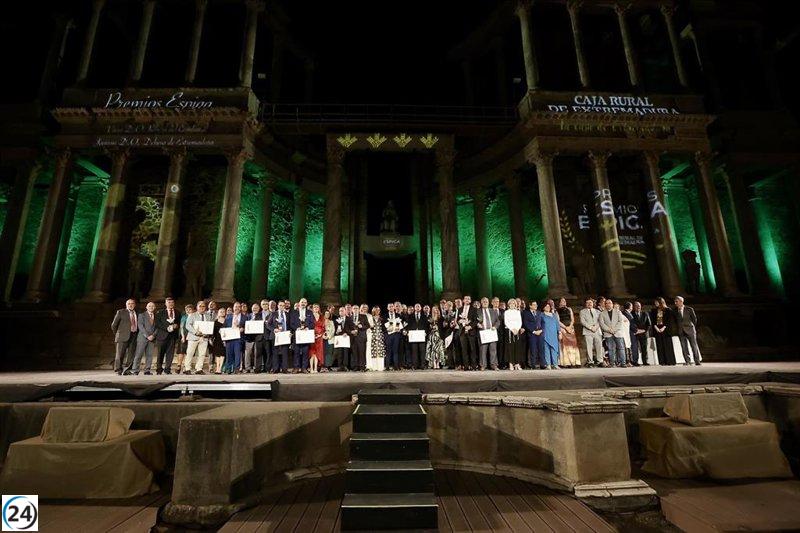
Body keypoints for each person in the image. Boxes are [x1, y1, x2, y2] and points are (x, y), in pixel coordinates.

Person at [112, 299, 138, 375]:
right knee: (120, 354)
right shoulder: (121, 312)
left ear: (134, 305)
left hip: (133, 335)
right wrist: (118, 334)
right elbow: (114, 325)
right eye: (129, 303)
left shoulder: (137, 313)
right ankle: (118, 370)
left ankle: (127, 370)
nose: (130, 305)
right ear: (126, 305)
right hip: (122, 336)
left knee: (131, 354)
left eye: (132, 303)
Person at [184, 301, 211, 374]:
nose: (202, 308)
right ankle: (187, 368)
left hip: (204, 337)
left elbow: (209, 326)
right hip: (193, 337)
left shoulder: (208, 316)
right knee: (190, 353)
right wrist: (195, 332)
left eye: (203, 306)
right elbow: (188, 325)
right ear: (197, 307)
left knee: (202, 354)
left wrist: (207, 333)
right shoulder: (192, 315)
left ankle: (199, 369)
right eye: (200, 306)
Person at [290, 297, 316, 373]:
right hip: (297, 334)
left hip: (306, 334)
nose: (303, 304)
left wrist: (308, 327)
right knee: (296, 352)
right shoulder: (294, 312)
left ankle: (304, 368)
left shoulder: (309, 312)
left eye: (305, 302)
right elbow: (291, 323)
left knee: (305, 352)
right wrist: (296, 328)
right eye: (302, 302)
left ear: (306, 303)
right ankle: (296, 368)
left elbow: (312, 323)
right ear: (299, 303)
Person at [131, 301, 157, 375]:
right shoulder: (141, 315)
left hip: (152, 338)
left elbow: (158, 327)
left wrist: (153, 335)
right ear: (146, 307)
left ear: (154, 307)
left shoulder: (156, 316)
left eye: (152, 306)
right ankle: (135, 370)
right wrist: (147, 336)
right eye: (149, 306)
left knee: (149, 355)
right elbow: (140, 326)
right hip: (142, 337)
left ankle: (147, 370)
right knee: (139, 354)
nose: (151, 307)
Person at [674, 296, 701, 365]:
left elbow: (694, 319)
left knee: (694, 346)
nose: (675, 303)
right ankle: (687, 361)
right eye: (675, 301)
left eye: (676, 301)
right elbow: (675, 321)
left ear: (681, 301)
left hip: (690, 330)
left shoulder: (689, 309)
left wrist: (691, 327)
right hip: (681, 331)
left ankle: (697, 361)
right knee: (684, 347)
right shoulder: (675, 310)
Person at [599, 299, 626, 367]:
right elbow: (602, 324)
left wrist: (614, 330)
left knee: (621, 348)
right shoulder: (602, 313)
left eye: (610, 303)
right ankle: (612, 363)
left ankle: (623, 363)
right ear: (605, 305)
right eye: (607, 303)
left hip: (618, 333)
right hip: (608, 334)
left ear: (612, 304)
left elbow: (620, 322)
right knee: (611, 349)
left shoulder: (618, 312)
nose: (608, 304)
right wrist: (609, 330)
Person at [650, 297, 676, 365]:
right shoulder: (654, 310)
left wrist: (664, 327)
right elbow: (653, 321)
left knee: (667, 346)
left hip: (666, 329)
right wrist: (656, 327)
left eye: (657, 302)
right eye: (655, 302)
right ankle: (662, 361)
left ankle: (670, 361)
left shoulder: (668, 310)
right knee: (660, 346)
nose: (655, 304)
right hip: (657, 329)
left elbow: (670, 320)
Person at [579, 298, 604, 367]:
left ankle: (600, 361)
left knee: (599, 346)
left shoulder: (598, 311)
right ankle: (590, 362)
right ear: (585, 304)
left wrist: (596, 327)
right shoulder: (582, 311)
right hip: (587, 331)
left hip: (597, 330)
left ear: (593, 303)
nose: (589, 304)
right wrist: (590, 327)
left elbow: (600, 320)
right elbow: (582, 321)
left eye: (591, 302)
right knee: (589, 347)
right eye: (587, 302)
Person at [477, 297, 500, 370]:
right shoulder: (478, 311)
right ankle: (483, 365)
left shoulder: (493, 311)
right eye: (483, 302)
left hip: (491, 332)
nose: (485, 303)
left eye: (486, 302)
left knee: (493, 349)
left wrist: (495, 327)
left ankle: (494, 365)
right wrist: (478, 324)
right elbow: (475, 320)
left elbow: (498, 321)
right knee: (483, 349)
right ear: (481, 303)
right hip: (483, 332)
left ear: (488, 302)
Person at [557, 298, 581, 368]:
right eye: (562, 301)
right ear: (559, 303)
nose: (564, 302)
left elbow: (572, 319)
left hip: (571, 328)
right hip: (563, 328)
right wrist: (565, 327)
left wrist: (570, 327)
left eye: (564, 301)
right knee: (565, 345)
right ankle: (567, 362)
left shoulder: (569, 309)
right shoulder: (557, 310)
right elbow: (558, 321)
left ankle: (575, 362)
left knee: (573, 345)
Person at [244, 302, 267, 373]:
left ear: (259, 308)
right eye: (253, 308)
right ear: (251, 309)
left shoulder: (259, 315)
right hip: (249, 338)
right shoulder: (248, 316)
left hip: (258, 337)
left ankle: (259, 367)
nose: (255, 309)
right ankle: (247, 368)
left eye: (256, 308)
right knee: (248, 354)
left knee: (258, 353)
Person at [268, 300, 290, 373]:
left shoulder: (287, 314)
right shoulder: (273, 314)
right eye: (280, 305)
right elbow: (268, 324)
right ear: (277, 306)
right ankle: (275, 369)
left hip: (285, 336)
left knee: (285, 352)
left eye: (283, 305)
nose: (282, 307)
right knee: (275, 353)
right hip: (275, 336)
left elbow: (289, 325)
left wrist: (290, 333)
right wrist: (274, 329)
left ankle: (284, 369)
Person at [222, 302, 246, 373]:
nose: (237, 308)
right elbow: (224, 327)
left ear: (240, 308)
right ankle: (229, 369)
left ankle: (237, 369)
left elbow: (246, 327)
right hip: (229, 338)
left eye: (239, 307)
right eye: (236, 306)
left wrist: (243, 329)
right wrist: (223, 334)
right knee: (229, 354)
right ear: (233, 308)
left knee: (237, 354)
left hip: (238, 338)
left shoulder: (244, 317)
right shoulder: (228, 316)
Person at [503, 299, 526, 370]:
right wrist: (512, 329)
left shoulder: (517, 312)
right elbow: (506, 322)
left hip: (517, 331)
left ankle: (517, 363)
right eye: (511, 303)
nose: (512, 305)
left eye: (514, 303)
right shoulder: (506, 312)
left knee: (517, 347)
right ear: (509, 305)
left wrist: (517, 328)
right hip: (510, 331)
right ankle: (511, 363)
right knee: (510, 347)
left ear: (515, 304)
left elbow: (520, 321)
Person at [405, 303, 429, 370]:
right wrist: (408, 332)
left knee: (422, 351)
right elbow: (408, 326)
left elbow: (427, 326)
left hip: (422, 336)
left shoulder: (424, 316)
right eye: (416, 306)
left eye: (419, 306)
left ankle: (422, 365)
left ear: (421, 308)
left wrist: (426, 332)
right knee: (414, 351)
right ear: (414, 308)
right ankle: (415, 365)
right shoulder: (410, 316)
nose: (417, 307)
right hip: (414, 336)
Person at [522, 300, 543, 369]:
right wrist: (533, 331)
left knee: (540, 349)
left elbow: (543, 322)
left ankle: (542, 364)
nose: (535, 306)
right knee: (533, 349)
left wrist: (541, 330)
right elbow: (526, 324)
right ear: (530, 306)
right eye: (534, 305)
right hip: (532, 334)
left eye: (536, 305)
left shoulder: (539, 313)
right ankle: (533, 365)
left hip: (540, 333)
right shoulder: (526, 313)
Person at [459, 295, 479, 370]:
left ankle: (473, 365)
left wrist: (470, 326)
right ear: (463, 300)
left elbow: (476, 320)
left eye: (469, 299)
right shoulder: (460, 309)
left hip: (471, 331)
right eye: (466, 299)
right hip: (462, 332)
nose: (467, 300)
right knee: (464, 349)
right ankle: (466, 366)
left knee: (472, 349)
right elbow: (458, 319)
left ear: (470, 301)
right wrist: (460, 321)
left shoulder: (474, 309)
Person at [540, 301, 561, 369]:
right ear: (543, 308)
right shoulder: (541, 315)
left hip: (554, 334)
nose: (548, 307)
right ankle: (548, 365)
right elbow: (539, 324)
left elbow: (557, 325)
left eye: (548, 306)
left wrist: (559, 333)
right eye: (546, 306)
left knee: (555, 349)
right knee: (546, 349)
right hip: (545, 334)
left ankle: (555, 364)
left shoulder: (554, 315)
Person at [350, 304, 370, 371]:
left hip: (361, 337)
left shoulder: (363, 316)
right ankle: (356, 366)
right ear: (352, 310)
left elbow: (368, 325)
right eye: (354, 308)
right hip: (353, 338)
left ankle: (362, 366)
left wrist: (362, 327)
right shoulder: (350, 317)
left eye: (357, 308)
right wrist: (351, 332)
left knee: (362, 352)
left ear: (359, 310)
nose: (355, 310)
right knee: (354, 352)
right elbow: (347, 328)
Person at [334, 306, 353, 371]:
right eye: (340, 311)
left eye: (342, 311)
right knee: (340, 352)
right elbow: (335, 330)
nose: (341, 312)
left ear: (345, 311)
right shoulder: (336, 319)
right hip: (339, 338)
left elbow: (351, 329)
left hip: (346, 338)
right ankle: (340, 366)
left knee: (346, 352)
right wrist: (336, 332)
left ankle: (345, 366)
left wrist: (347, 333)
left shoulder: (349, 319)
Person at [384, 303, 403, 370]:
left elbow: (401, 325)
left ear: (394, 307)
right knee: (388, 351)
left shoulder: (398, 315)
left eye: (392, 306)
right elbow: (382, 326)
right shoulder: (384, 316)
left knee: (395, 351)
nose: (391, 308)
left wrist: (399, 329)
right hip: (388, 335)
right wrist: (387, 329)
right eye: (389, 306)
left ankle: (396, 366)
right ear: (387, 308)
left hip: (396, 335)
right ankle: (387, 366)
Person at [367, 306, 386, 371]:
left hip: (380, 336)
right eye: (375, 310)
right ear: (373, 311)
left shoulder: (381, 318)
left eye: (378, 310)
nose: (377, 311)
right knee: (373, 351)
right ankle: (374, 367)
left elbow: (384, 328)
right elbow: (368, 326)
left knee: (380, 351)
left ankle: (380, 367)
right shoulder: (370, 318)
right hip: (372, 336)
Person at [309, 303, 325, 373]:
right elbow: (308, 325)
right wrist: (312, 334)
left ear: (319, 309)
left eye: (317, 307)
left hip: (319, 337)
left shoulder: (322, 317)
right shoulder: (310, 316)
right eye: (314, 307)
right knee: (311, 352)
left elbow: (323, 327)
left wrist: (320, 334)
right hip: (311, 336)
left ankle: (315, 368)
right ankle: (311, 368)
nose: (316, 308)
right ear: (312, 308)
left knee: (317, 353)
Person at [210, 308, 227, 374]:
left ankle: (220, 368)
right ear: (218, 313)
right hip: (217, 339)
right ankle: (217, 368)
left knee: (222, 354)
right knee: (217, 354)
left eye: (223, 311)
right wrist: (211, 339)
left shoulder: (227, 321)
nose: (222, 312)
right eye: (221, 311)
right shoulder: (215, 322)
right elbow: (213, 332)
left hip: (225, 339)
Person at [616, 303, 633, 367]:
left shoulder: (622, 315)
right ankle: (620, 361)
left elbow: (627, 322)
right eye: (615, 307)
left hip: (624, 333)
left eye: (617, 307)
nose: (616, 309)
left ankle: (627, 361)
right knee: (619, 348)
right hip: (617, 333)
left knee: (626, 348)